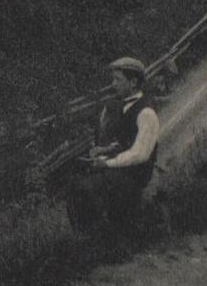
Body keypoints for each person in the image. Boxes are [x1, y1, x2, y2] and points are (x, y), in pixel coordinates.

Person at [64, 56, 161, 232]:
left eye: (118, 79)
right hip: (120, 169)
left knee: (86, 188)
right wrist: (104, 149)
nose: (113, 84)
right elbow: (123, 142)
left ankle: (101, 236)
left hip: (135, 174)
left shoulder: (146, 112)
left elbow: (140, 153)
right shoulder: (119, 107)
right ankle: (87, 236)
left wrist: (107, 163)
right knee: (73, 182)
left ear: (132, 82)